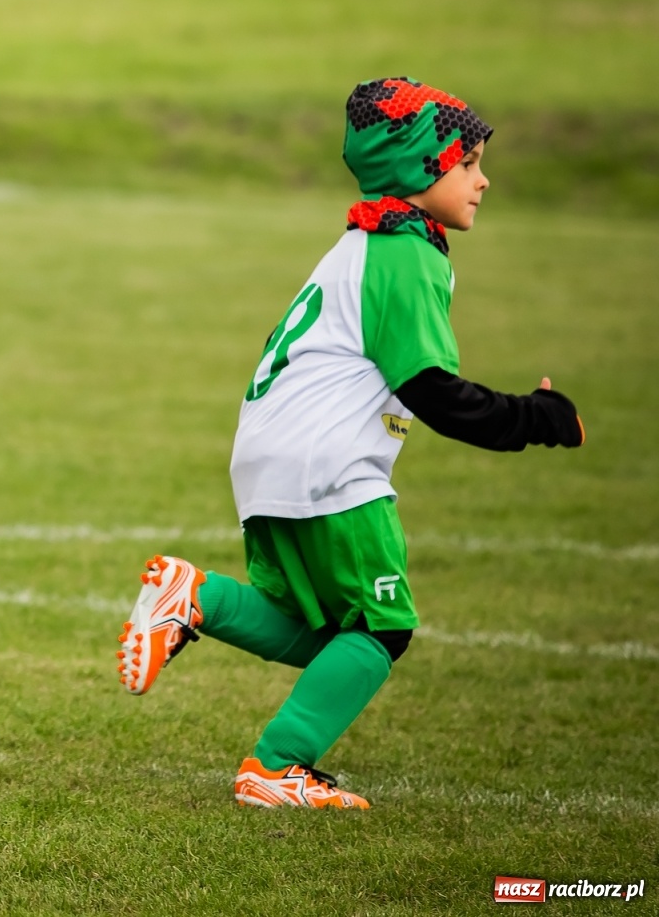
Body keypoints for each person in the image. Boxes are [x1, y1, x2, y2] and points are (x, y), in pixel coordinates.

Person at [114, 77, 585, 808]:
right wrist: (538, 419)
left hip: (270, 456)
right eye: (469, 163)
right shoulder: (404, 255)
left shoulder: (367, 244)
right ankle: (276, 767)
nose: (483, 179)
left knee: (326, 632)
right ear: (425, 168)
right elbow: (435, 393)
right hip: (330, 463)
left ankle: (194, 595)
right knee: (383, 630)